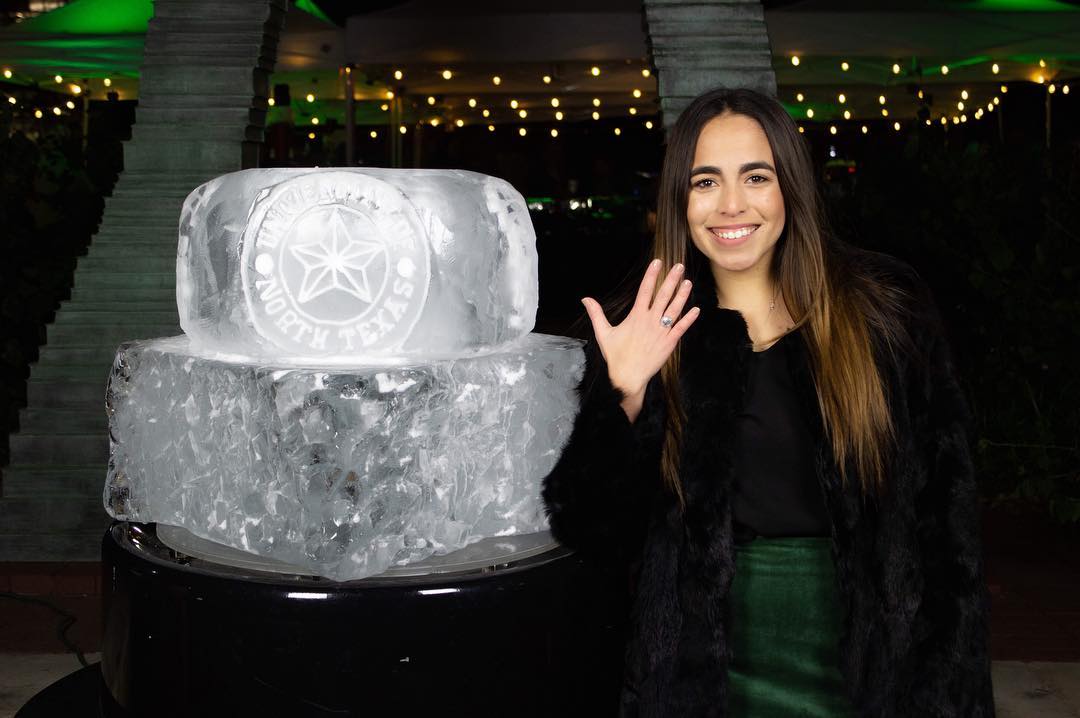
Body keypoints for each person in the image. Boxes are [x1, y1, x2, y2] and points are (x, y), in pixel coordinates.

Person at [540, 87, 994, 717]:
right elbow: (593, 536)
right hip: (705, 683)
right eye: (705, 181)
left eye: (756, 176)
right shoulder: (643, 333)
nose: (731, 205)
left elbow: (949, 540)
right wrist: (625, 393)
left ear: (792, 188)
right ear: (680, 199)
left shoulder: (883, 312)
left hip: (870, 673)